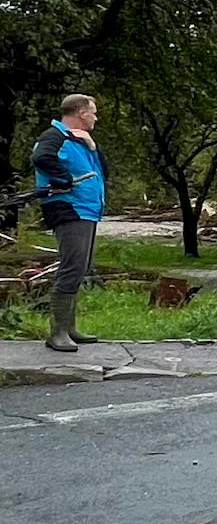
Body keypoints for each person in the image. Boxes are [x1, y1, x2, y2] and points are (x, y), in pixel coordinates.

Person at [32, 94, 108, 353]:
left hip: (86, 209)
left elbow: (103, 171)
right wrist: (63, 180)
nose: (96, 117)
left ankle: (70, 327)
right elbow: (41, 158)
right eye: (94, 112)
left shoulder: (78, 140)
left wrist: (92, 146)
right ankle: (58, 333)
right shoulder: (54, 136)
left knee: (80, 267)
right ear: (82, 113)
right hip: (69, 209)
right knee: (71, 267)